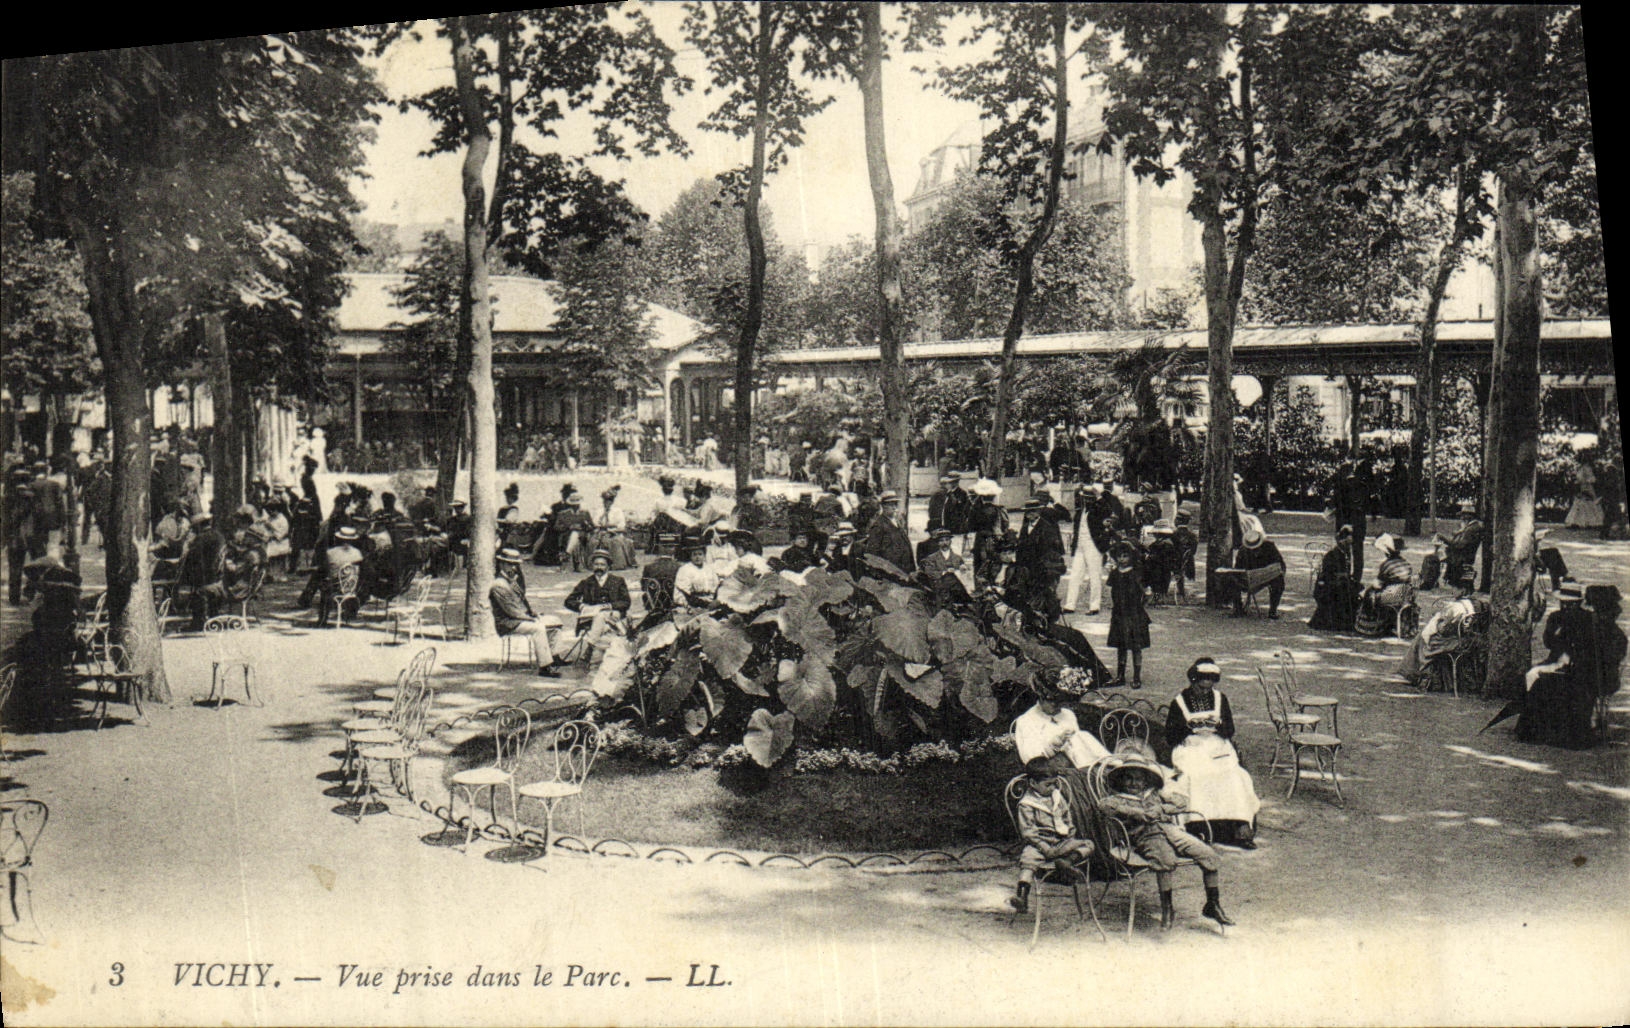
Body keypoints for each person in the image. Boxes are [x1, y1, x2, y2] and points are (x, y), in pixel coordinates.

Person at [1098, 755, 1234, 929]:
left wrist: (1162, 808)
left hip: (1171, 831)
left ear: (1146, 781)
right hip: (1145, 835)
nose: (1133, 783)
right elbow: (1103, 806)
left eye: (1138, 779)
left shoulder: (1155, 794)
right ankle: (1167, 908)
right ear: (1121, 781)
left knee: (1207, 854)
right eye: (1129, 779)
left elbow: (1182, 803)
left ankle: (1213, 904)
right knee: (1165, 859)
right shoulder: (1117, 799)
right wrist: (1134, 812)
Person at [1165, 659, 1260, 847]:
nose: (1205, 692)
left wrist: (1217, 726)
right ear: (1192, 682)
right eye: (1201, 688)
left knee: (1234, 775)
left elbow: (1230, 730)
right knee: (1197, 776)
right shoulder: (1179, 702)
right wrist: (1188, 727)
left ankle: (1239, 827)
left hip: (1217, 746)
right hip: (1190, 748)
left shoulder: (1220, 699)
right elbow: (1170, 736)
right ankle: (1199, 828)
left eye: (1208, 688)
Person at [1007, 756, 1097, 915]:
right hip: (1040, 844)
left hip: (1062, 842)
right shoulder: (1027, 804)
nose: (1052, 787)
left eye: (1055, 783)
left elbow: (1066, 817)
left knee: (1088, 844)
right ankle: (1022, 896)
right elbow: (1029, 832)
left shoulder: (1056, 797)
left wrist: (1070, 833)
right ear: (1033, 784)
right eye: (1048, 784)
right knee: (1028, 860)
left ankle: (1067, 863)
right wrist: (1044, 848)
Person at [1013, 669, 1111, 773]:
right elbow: (1030, 759)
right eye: (1052, 702)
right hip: (1049, 771)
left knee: (1082, 736)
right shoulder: (1026, 720)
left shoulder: (1067, 714)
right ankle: (1098, 770)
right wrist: (1054, 745)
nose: (1057, 706)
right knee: (1076, 739)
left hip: (1077, 765)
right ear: (1041, 698)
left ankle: (1105, 764)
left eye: (1060, 702)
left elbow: (1080, 749)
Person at [490, 547, 562, 677]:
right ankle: (545, 666)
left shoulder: (512, 580)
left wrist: (532, 613)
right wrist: (529, 618)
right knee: (538, 628)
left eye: (515, 564)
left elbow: (522, 601)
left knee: (555, 622)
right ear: (501, 564)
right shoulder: (499, 584)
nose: (513, 568)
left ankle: (554, 656)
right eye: (510, 564)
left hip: (520, 618)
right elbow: (511, 610)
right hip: (508, 622)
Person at [1398, 583, 1485, 688]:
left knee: (1423, 637)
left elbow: (1443, 629)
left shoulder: (1455, 606)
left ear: (1463, 590)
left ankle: (1415, 674)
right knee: (1426, 635)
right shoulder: (1480, 604)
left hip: (1454, 642)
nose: (1452, 590)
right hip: (1471, 641)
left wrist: (1438, 620)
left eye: (1455, 588)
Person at [562, 548, 632, 669]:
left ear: (608, 566)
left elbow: (626, 602)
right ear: (592, 565)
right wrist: (582, 606)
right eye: (596, 564)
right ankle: (601, 656)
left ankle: (589, 648)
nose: (599, 567)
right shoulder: (586, 582)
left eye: (602, 564)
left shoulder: (618, 581)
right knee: (602, 623)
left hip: (614, 615)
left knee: (602, 616)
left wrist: (609, 606)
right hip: (592, 618)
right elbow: (568, 601)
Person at [1011, 496, 1066, 622]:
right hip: (1027, 568)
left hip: (1042, 569)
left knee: (1043, 599)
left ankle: (1047, 623)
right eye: (1028, 512)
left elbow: (1051, 552)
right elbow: (1021, 547)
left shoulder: (1047, 528)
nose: (1030, 514)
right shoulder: (1025, 527)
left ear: (1039, 512)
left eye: (1033, 511)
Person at [1106, 538, 1150, 689]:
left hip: (1134, 615)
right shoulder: (1114, 573)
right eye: (1119, 556)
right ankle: (1120, 675)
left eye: (1125, 556)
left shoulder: (1136, 574)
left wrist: (1140, 606)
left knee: (1136, 646)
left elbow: (1147, 593)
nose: (1122, 559)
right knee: (1121, 645)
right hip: (1119, 613)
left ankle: (1137, 676)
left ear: (1131, 557)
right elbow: (1111, 591)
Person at [1224, 526, 1285, 619]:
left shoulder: (1270, 547)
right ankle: (1238, 608)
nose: (1254, 550)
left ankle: (1273, 610)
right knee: (1230, 580)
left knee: (1279, 582)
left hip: (1267, 578)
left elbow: (1280, 565)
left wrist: (1269, 572)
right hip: (1249, 579)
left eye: (1256, 548)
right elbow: (1238, 568)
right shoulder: (1243, 551)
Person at [1309, 526, 1359, 632]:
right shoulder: (1332, 555)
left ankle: (1348, 621)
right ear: (1341, 541)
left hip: (1339, 582)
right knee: (1343, 590)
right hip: (1328, 584)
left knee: (1356, 588)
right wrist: (1342, 576)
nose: (1349, 546)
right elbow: (1327, 574)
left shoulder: (1346, 554)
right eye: (1347, 543)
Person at [316, 524, 365, 627]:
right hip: (352, 586)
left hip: (336, 586)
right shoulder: (357, 553)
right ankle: (350, 613)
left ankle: (323, 618)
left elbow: (325, 569)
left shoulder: (330, 553)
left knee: (322, 582)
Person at [862, 490, 916, 576]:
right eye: (890, 504)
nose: (894, 507)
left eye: (895, 504)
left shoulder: (897, 522)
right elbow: (872, 553)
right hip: (890, 572)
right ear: (883, 506)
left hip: (903, 570)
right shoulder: (879, 525)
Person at [1440, 500, 1484, 591]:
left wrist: (1444, 539)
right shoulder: (1471, 527)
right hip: (1464, 555)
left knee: (1439, 556)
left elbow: (1459, 545)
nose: (1462, 518)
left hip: (1462, 557)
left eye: (1463, 515)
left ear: (1469, 516)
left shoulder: (1471, 529)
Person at [593, 486, 638, 571]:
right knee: (593, 542)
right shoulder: (599, 511)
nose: (607, 503)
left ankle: (617, 564)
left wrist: (611, 528)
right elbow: (595, 522)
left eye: (609, 501)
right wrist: (601, 524)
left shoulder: (617, 511)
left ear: (612, 501)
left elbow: (621, 525)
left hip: (615, 532)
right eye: (605, 501)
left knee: (616, 542)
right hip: (601, 531)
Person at [673, 543, 721, 610]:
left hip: (710, 601)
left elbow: (716, 586)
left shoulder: (709, 568)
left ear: (704, 556)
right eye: (694, 554)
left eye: (700, 554)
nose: (697, 557)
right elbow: (683, 593)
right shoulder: (685, 569)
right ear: (690, 556)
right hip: (693, 603)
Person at [1565, 451, 1603, 528]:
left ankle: (1590, 522)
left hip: (1587, 487)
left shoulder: (1585, 468)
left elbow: (1592, 479)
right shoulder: (1582, 468)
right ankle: (1580, 522)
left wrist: (1585, 482)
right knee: (1582, 503)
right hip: (1582, 486)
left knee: (1588, 502)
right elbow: (1591, 479)